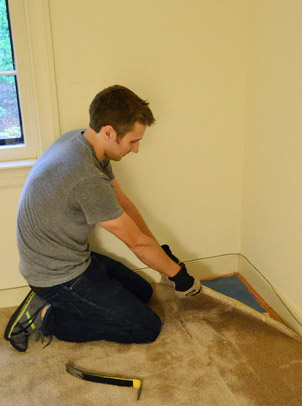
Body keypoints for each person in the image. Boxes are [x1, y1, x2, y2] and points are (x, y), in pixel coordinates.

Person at [4, 85, 201, 352]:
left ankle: (61, 303)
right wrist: (181, 277)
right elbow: (136, 245)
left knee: (143, 292)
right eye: (133, 141)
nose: (136, 149)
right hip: (56, 276)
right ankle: (45, 316)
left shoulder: (84, 143)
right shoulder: (86, 177)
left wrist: (163, 255)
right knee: (146, 327)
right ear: (109, 131)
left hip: (71, 258)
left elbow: (124, 204)